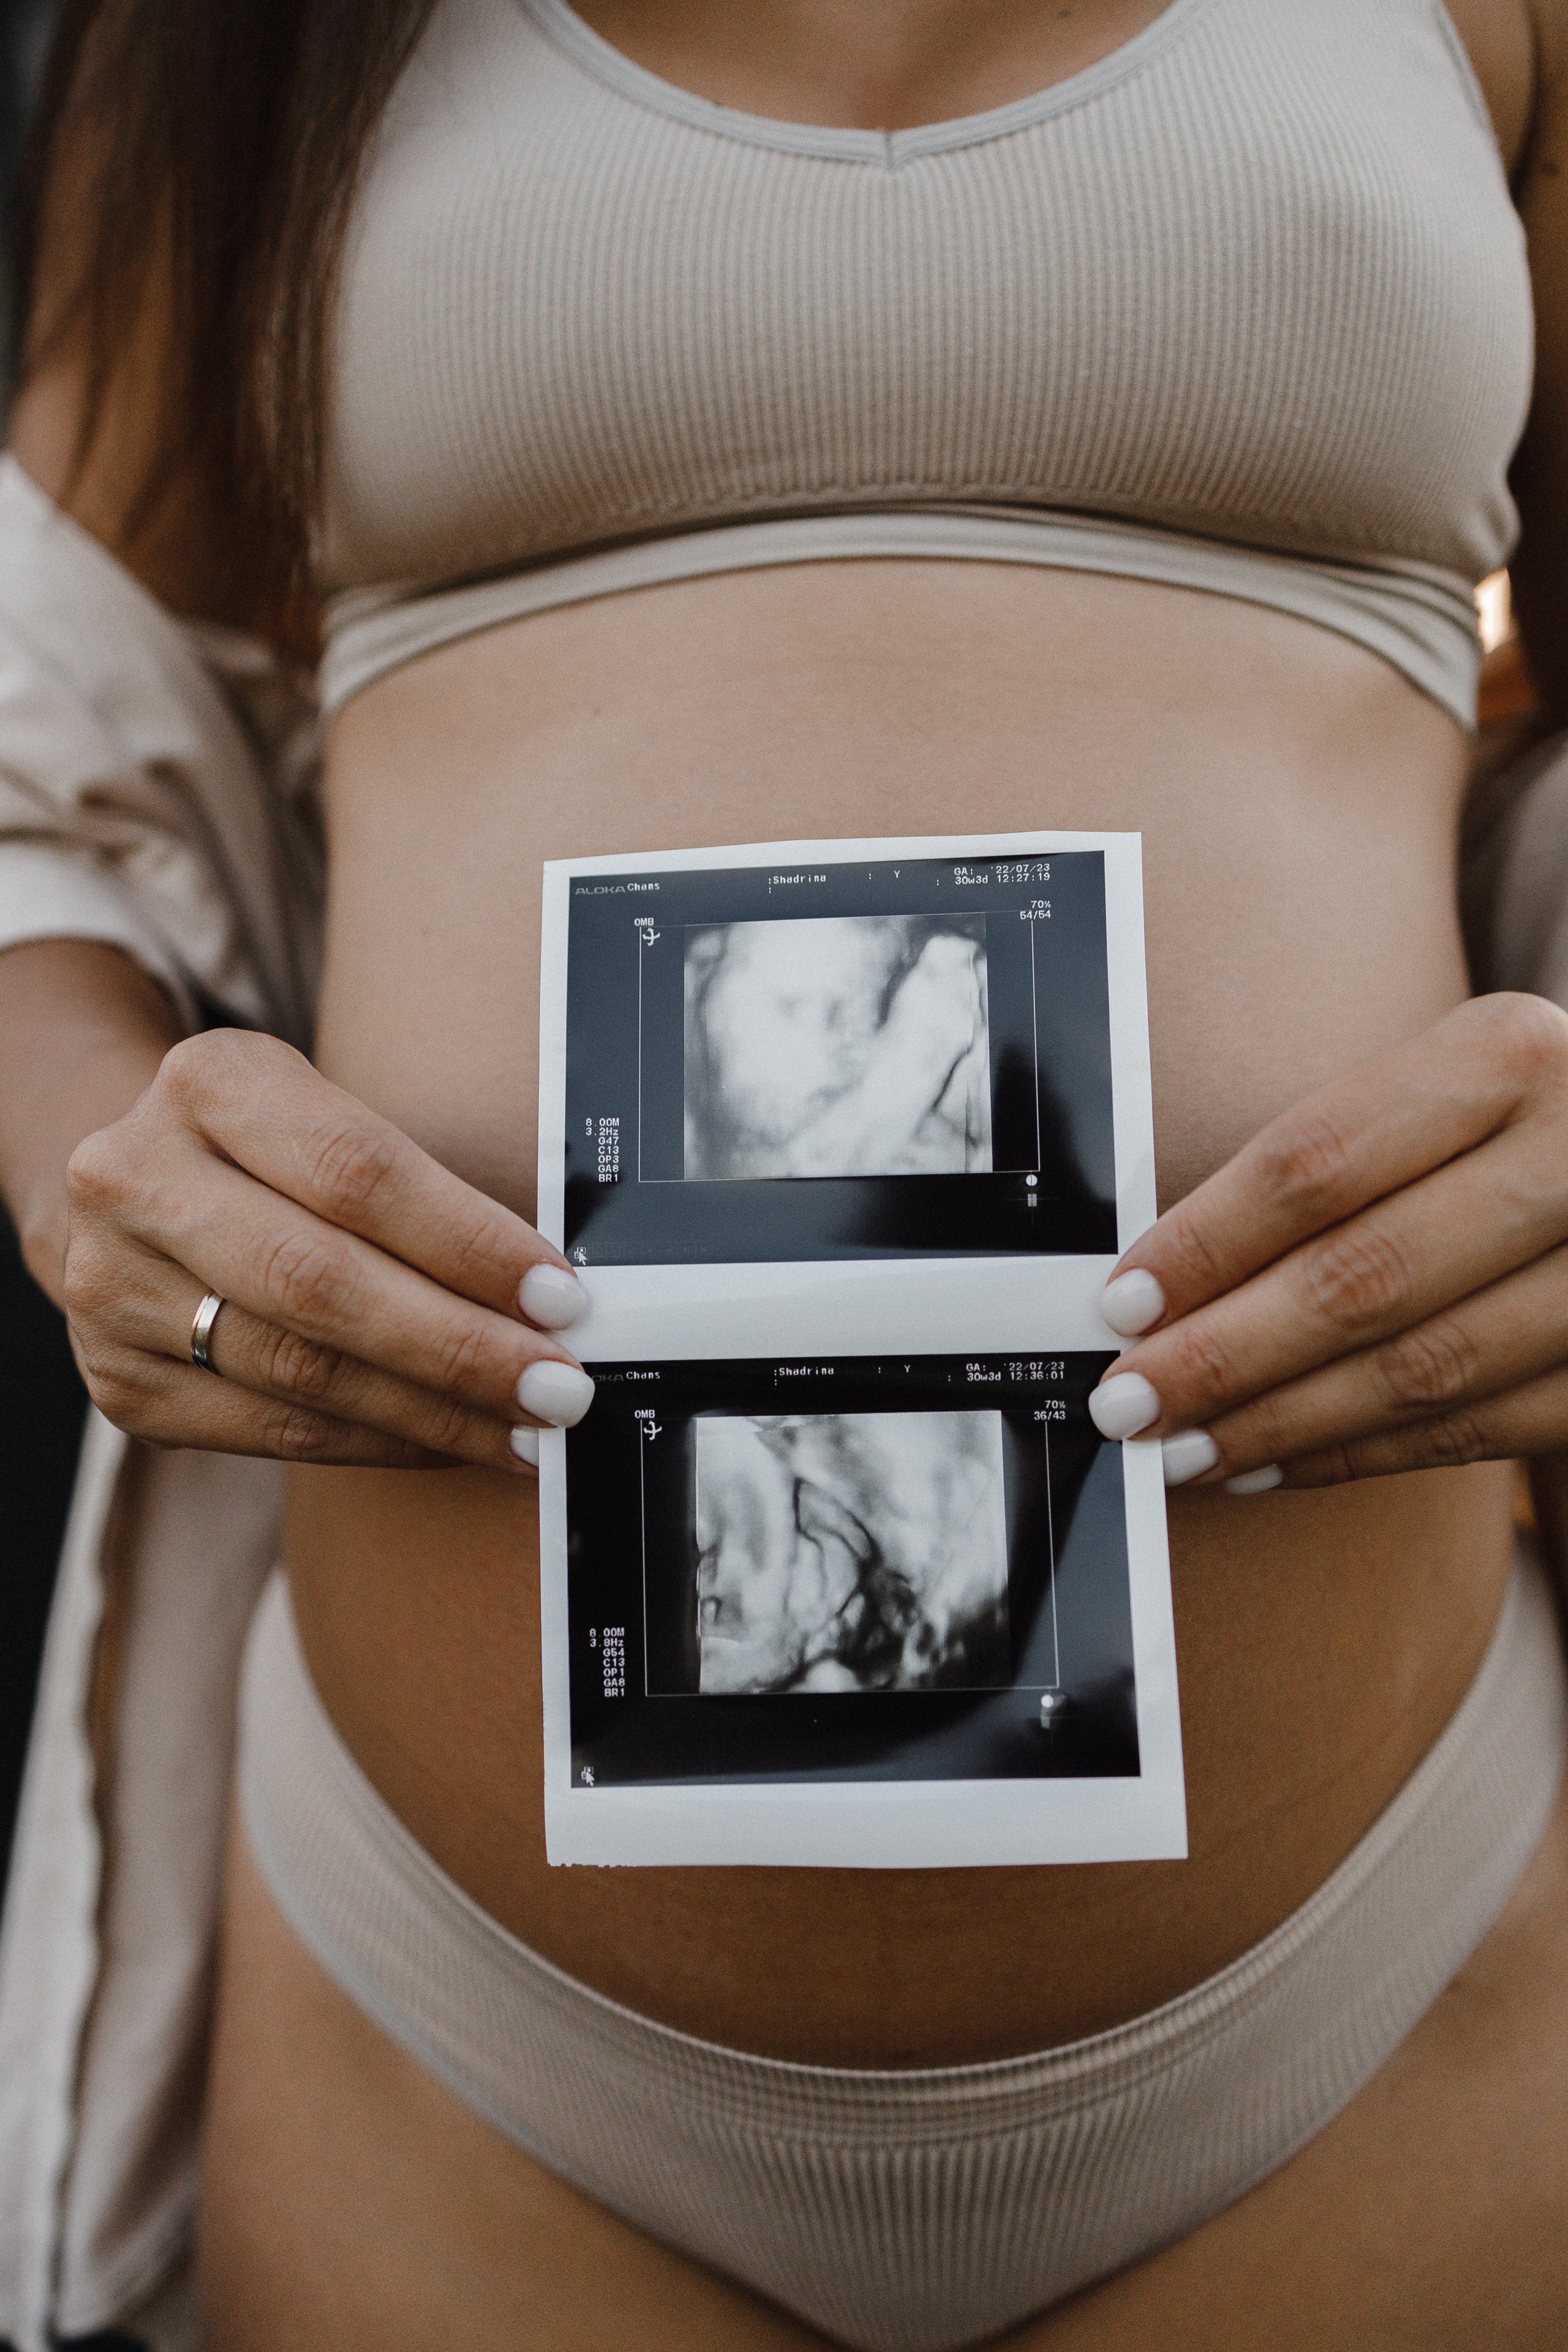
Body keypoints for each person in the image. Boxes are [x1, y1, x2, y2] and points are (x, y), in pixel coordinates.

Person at [2, 0, 1568, 2343]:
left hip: (1372, 1985)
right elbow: (42, 752)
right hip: (457, 2037)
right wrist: (85, 1149)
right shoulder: (235, 39)